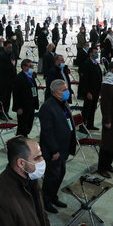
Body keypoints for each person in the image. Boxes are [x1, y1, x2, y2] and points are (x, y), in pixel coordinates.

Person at [38, 79, 76, 213]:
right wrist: (54, 150)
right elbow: (47, 132)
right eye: (64, 90)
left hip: (64, 147)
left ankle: (53, 196)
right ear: (55, 92)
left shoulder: (63, 103)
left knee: (60, 174)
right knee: (52, 176)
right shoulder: (48, 107)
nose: (67, 92)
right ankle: (46, 201)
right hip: (54, 150)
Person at [12, 59, 39, 137]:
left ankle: (25, 137)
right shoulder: (19, 78)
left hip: (31, 104)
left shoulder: (31, 76)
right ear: (24, 67)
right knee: (22, 126)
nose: (32, 68)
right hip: (23, 106)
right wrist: (18, 107)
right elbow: (16, 94)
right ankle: (19, 140)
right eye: (30, 66)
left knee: (29, 124)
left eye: (32, 66)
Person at [79, 46, 102, 130]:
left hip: (96, 90)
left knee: (93, 108)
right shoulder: (87, 63)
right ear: (90, 53)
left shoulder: (95, 63)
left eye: (97, 52)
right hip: (90, 90)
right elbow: (84, 80)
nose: (97, 54)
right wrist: (87, 92)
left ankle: (90, 124)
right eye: (95, 53)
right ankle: (83, 125)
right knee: (86, 109)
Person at [0, 41, 16, 116]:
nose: (10, 48)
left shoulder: (11, 54)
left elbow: (14, 66)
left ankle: (6, 112)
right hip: (3, 80)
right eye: (9, 47)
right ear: (5, 47)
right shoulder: (1, 55)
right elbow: (2, 67)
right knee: (3, 98)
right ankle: (1, 113)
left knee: (8, 98)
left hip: (10, 80)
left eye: (11, 46)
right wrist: (12, 65)